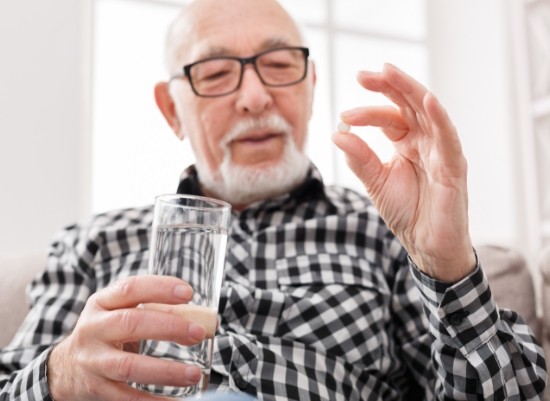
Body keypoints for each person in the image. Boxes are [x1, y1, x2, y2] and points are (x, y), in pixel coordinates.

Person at [0, 0, 546, 400]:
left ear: (310, 84)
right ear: (172, 110)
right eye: (215, 74)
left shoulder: (386, 234)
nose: (256, 98)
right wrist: (62, 376)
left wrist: (446, 265)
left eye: (280, 65)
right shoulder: (92, 243)